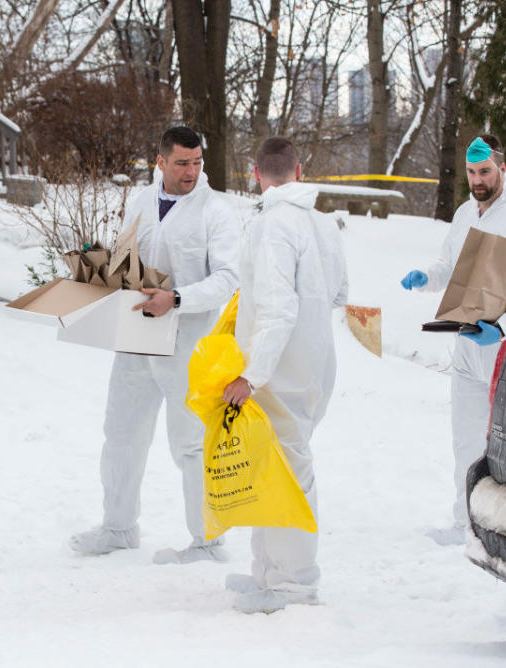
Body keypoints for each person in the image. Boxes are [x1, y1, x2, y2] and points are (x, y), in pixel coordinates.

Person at [71, 126, 240, 564]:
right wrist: (101, 264)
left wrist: (178, 299)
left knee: (189, 443)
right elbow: (134, 259)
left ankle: (207, 541)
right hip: (137, 332)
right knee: (122, 433)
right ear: (160, 162)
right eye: (182, 163)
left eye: (198, 162)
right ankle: (119, 527)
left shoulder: (215, 212)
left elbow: (228, 278)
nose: (192, 171)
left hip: (187, 341)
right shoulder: (141, 201)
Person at [400, 134, 506, 545]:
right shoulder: (467, 213)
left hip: (505, 347)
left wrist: (503, 327)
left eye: (485, 171)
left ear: (502, 168)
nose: (477, 179)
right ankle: (464, 520)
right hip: (467, 341)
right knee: (465, 436)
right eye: (471, 172)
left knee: (504, 440)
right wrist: (427, 278)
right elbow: (450, 267)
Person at [221, 136, 347, 613]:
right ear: (300, 170)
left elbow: (276, 311)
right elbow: (339, 294)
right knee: (269, 467)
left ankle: (294, 585)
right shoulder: (322, 223)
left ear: (256, 173)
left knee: (289, 473)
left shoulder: (272, 226)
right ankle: (268, 574)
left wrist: (251, 375)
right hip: (313, 363)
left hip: (280, 370)